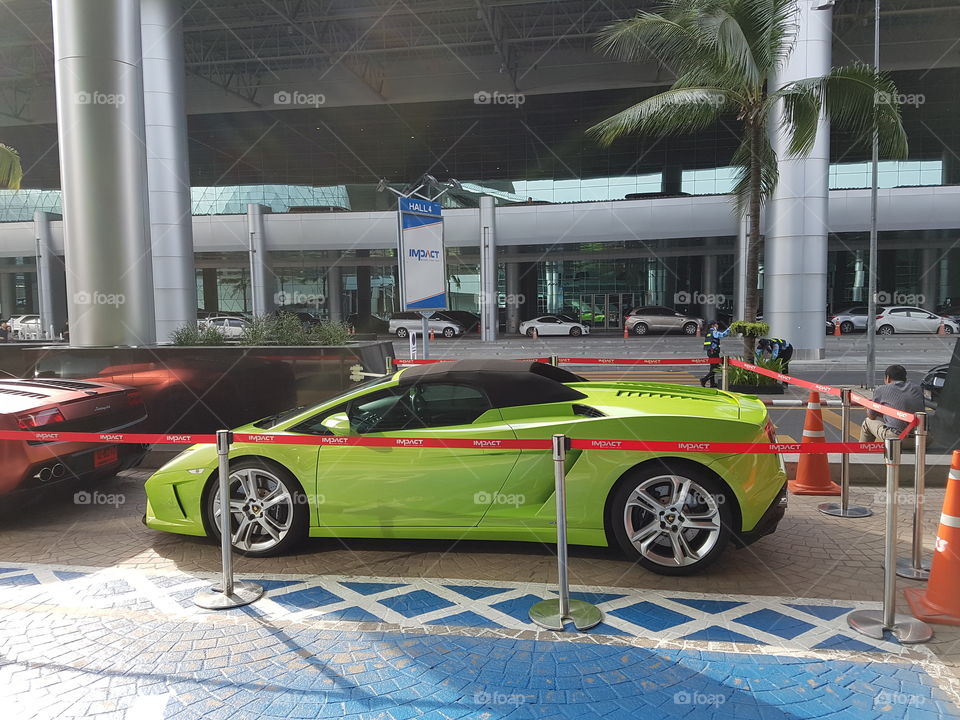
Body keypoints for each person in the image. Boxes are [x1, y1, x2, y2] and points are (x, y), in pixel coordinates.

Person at [860, 364, 925, 442]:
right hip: (921, 439)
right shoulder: (917, 388)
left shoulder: (882, 389)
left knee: (867, 422)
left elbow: (871, 416)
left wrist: (868, 408)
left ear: (887, 378)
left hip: (896, 439)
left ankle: (862, 452)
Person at [700, 320, 730, 387]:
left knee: (712, 367)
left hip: (710, 352)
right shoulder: (714, 332)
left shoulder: (708, 332)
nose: (718, 325)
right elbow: (723, 335)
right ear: (713, 325)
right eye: (716, 324)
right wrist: (729, 329)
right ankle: (704, 379)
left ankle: (712, 383)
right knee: (715, 367)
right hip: (714, 352)